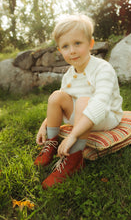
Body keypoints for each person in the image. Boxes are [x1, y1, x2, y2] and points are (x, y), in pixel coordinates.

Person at [34, 14, 123, 189]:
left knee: (83, 101)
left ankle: (74, 158)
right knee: (56, 96)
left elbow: (100, 104)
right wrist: (45, 124)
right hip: (81, 115)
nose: (72, 50)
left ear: (90, 43)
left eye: (77, 43)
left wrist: (73, 135)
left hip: (105, 116)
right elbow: (61, 102)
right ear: (60, 50)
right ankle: (51, 144)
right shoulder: (69, 74)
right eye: (65, 46)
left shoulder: (102, 69)